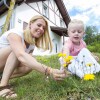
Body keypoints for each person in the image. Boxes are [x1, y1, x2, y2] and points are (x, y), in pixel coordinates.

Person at [0, 15, 66, 98]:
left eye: (44, 28)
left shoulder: (32, 45)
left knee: (29, 64)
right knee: (19, 50)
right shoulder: (16, 33)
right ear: (30, 24)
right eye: (39, 25)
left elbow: (29, 62)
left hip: (2, 67)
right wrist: (49, 70)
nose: (41, 29)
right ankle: (3, 86)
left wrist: (47, 75)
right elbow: (21, 55)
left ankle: (1, 79)